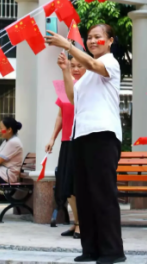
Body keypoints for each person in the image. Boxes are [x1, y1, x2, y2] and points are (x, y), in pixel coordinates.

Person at [47, 24, 125, 264]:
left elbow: (92, 64)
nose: (93, 41)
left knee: (103, 194)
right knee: (85, 195)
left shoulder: (110, 62)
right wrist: (65, 70)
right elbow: (72, 97)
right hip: (81, 135)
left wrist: (69, 46)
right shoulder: (87, 73)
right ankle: (90, 249)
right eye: (90, 37)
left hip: (103, 134)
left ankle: (112, 251)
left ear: (110, 40)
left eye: (98, 37)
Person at [45, 54, 87, 239]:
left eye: (80, 66)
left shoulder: (87, 88)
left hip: (82, 141)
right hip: (66, 141)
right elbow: (60, 115)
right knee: (67, 185)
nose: (76, 69)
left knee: (78, 186)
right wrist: (52, 138)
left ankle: (82, 224)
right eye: (73, 66)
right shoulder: (64, 88)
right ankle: (76, 222)